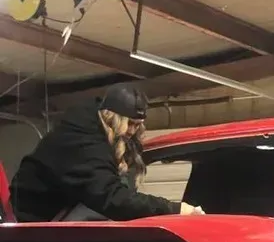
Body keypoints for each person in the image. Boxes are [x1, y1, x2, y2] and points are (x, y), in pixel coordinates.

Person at [11, 83, 202, 222]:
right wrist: (173, 209)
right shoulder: (82, 141)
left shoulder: (105, 128)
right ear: (111, 116)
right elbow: (112, 198)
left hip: (62, 211)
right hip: (30, 219)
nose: (132, 131)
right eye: (129, 124)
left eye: (138, 125)